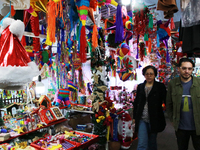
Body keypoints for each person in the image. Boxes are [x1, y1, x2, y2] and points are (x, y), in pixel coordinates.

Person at [166, 58, 200, 150]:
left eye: (189, 69)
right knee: (182, 147)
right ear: (179, 69)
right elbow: (168, 103)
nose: (187, 71)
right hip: (180, 126)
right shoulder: (173, 83)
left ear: (192, 70)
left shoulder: (198, 83)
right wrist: (172, 119)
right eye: (184, 68)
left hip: (197, 126)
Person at [133, 65, 166, 150]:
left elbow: (166, 100)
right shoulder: (140, 87)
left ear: (155, 75)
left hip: (154, 119)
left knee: (152, 143)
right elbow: (136, 103)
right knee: (142, 143)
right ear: (144, 75)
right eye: (147, 74)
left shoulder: (160, 86)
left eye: (151, 73)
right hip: (142, 119)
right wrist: (134, 117)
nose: (149, 75)